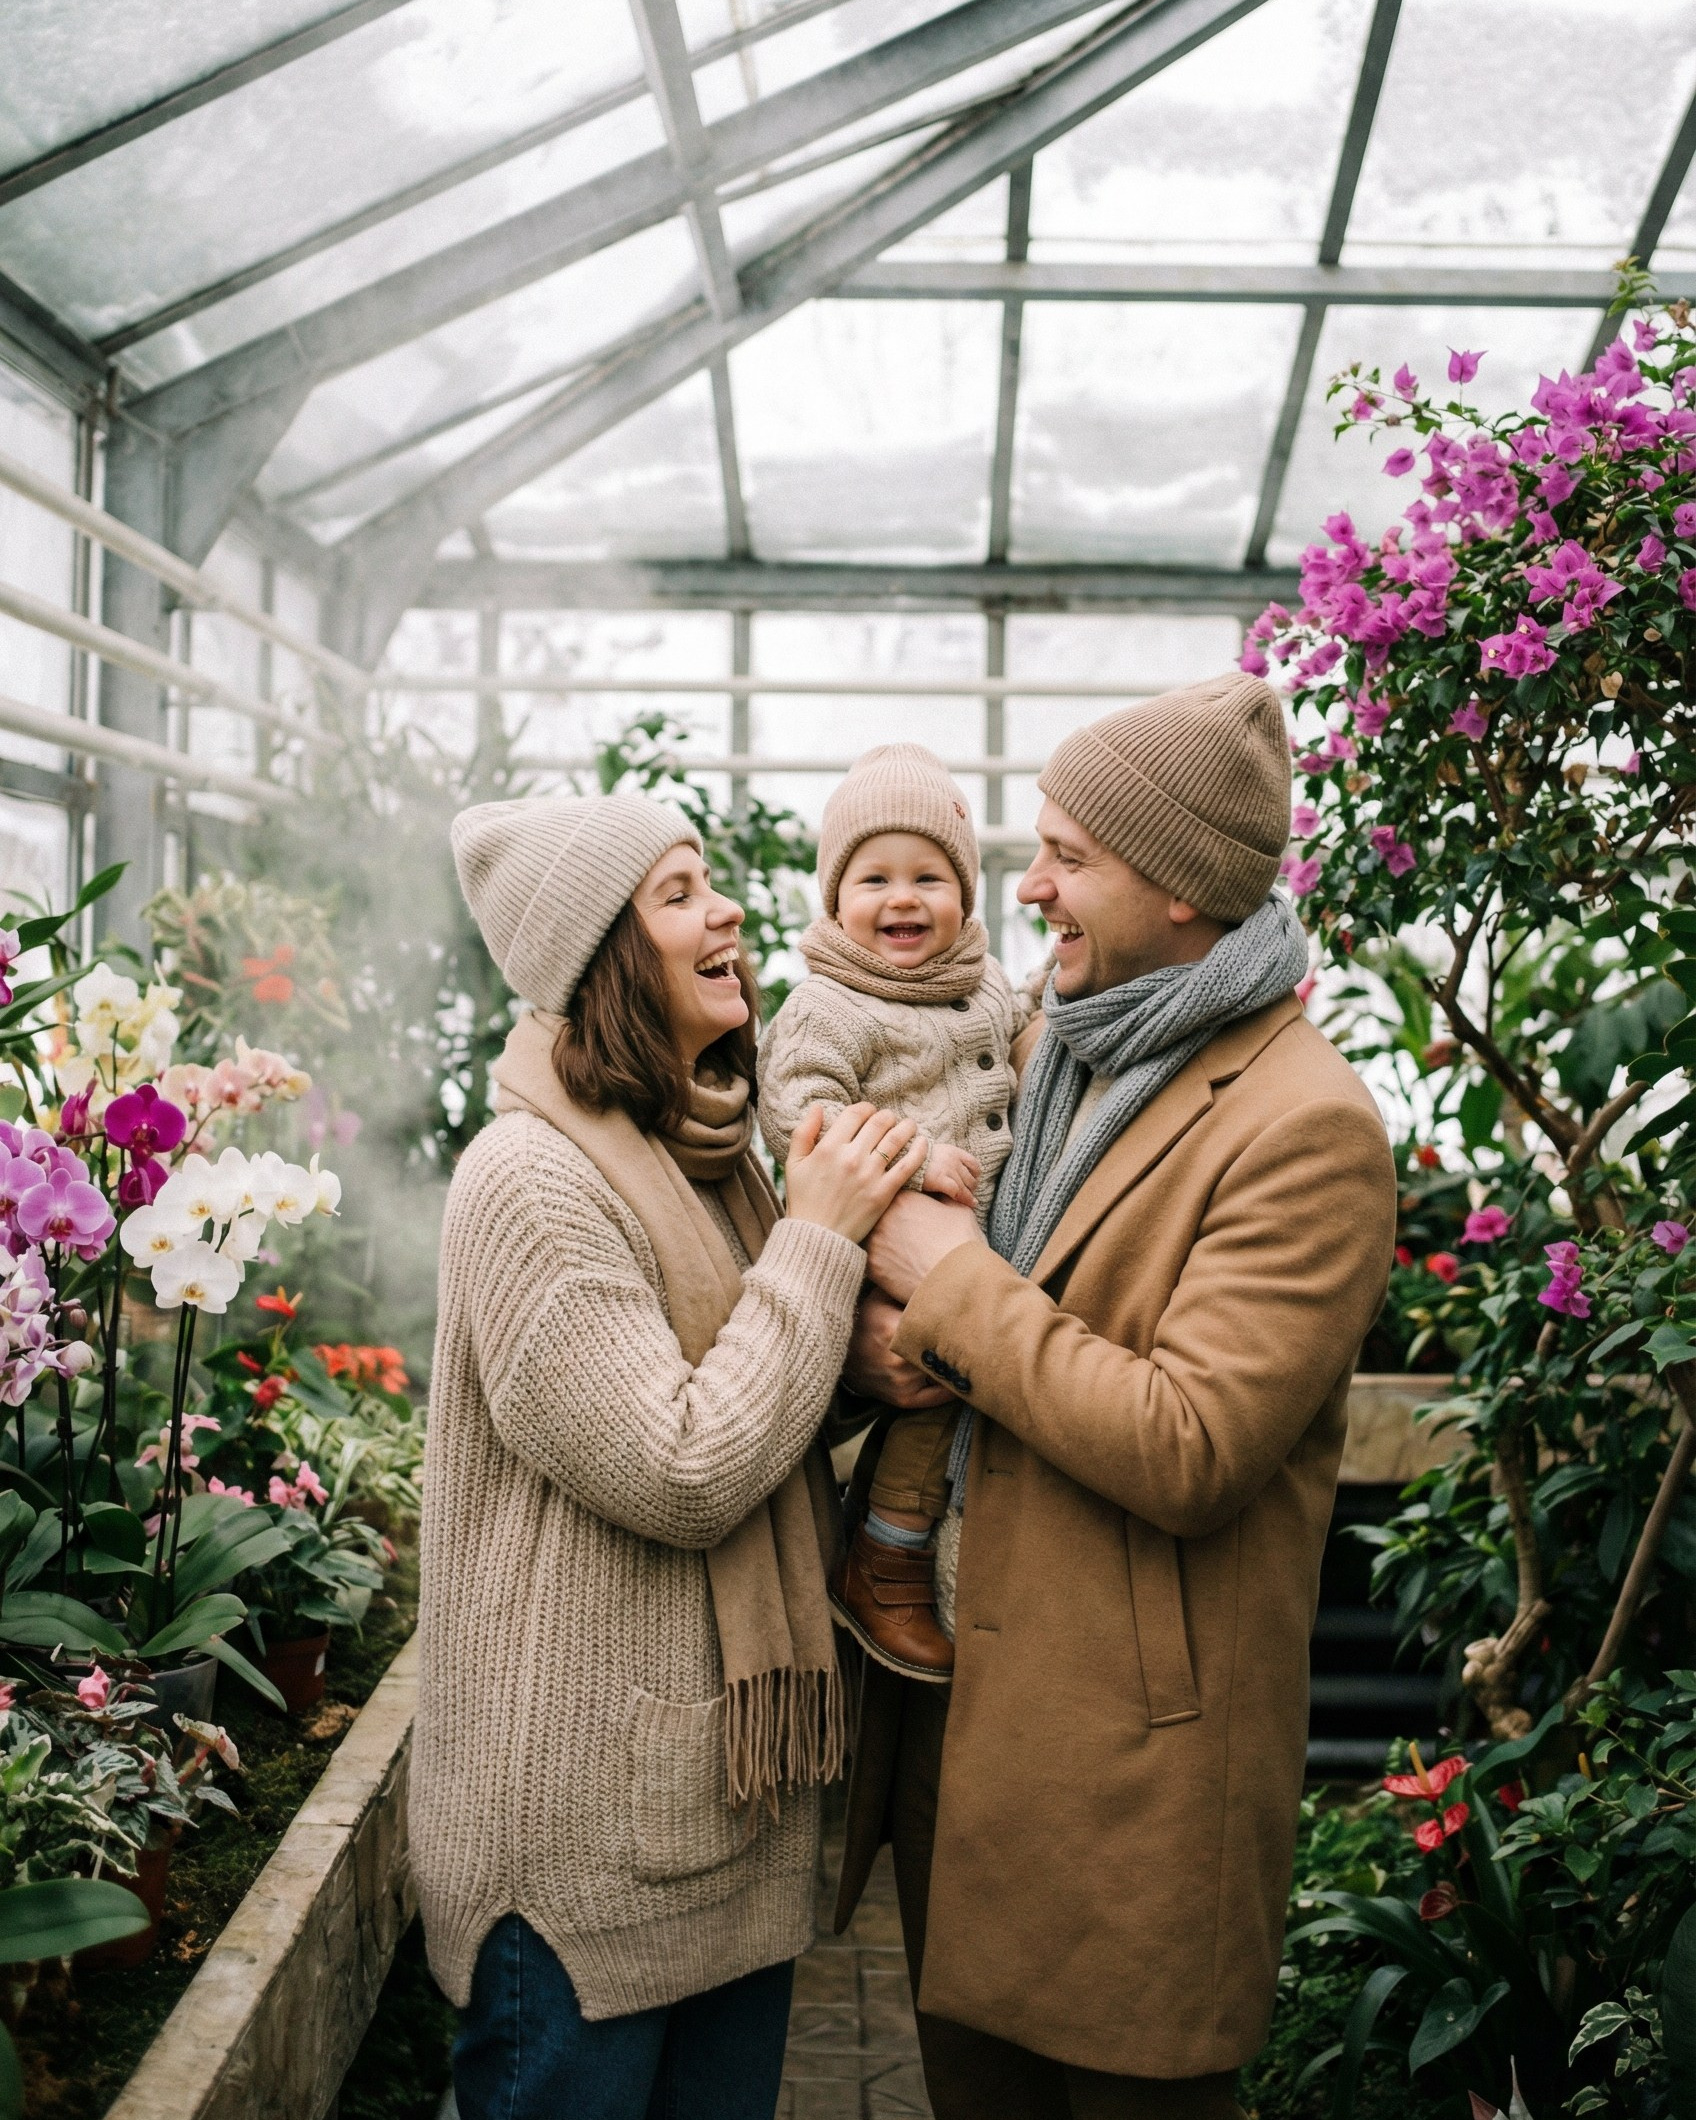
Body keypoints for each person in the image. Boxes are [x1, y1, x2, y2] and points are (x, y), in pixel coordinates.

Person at [835, 673, 1399, 2118]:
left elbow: (1192, 1443)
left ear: (1185, 890)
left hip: (1131, 1786)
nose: (1028, 890)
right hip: (974, 1723)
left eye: (1069, 856)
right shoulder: (1059, 1045)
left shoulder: (1306, 1125)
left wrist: (944, 1277)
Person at [412, 791, 926, 2120]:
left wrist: (857, 1373)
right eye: (681, 893)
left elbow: (747, 1404)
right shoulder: (530, 1183)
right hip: (579, 1869)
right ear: (604, 954)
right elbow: (683, 1466)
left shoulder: (706, 1158)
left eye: (715, 885)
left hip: (721, 1829)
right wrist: (819, 1241)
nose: (732, 912)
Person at [757, 744, 1024, 1683]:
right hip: (880, 1236)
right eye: (874, 878)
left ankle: (915, 1537)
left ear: (967, 893)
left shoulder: (979, 981)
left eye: (930, 877)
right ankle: (884, 1554)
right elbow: (800, 1116)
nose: (902, 899)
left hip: (970, 1245)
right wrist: (908, 1154)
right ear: (834, 899)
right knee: (933, 1387)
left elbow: (1014, 1025)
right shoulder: (826, 1007)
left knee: (972, 1389)